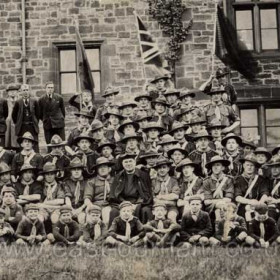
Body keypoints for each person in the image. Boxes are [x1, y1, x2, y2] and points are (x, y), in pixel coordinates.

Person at [109, 153, 153, 224]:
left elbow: (147, 193)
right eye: (126, 162)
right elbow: (114, 194)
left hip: (139, 202)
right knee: (114, 211)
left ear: (135, 162)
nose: (128, 164)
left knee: (146, 210)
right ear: (122, 164)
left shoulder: (143, 175)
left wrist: (137, 203)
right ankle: (114, 233)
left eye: (130, 161)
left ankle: (144, 232)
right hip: (122, 202)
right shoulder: (118, 176)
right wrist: (125, 204)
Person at [235, 154, 269, 221]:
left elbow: (265, 193)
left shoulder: (260, 179)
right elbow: (237, 197)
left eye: (252, 165)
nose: (249, 167)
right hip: (243, 205)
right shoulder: (238, 179)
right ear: (244, 166)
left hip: (258, 204)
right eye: (247, 165)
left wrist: (259, 204)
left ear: (255, 167)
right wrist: (250, 202)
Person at [84, 157, 114, 227]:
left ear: (109, 169)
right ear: (97, 170)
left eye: (105, 167)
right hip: (96, 205)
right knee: (90, 219)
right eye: (100, 167)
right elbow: (87, 197)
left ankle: (106, 235)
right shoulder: (91, 181)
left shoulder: (115, 180)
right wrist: (90, 206)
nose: (103, 169)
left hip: (109, 205)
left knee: (106, 217)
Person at [11, 84, 40, 151]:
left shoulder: (34, 101)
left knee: (34, 143)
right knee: (22, 143)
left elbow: (38, 114)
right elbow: (14, 115)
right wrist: (19, 123)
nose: (25, 92)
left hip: (32, 126)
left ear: (29, 91)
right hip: (22, 126)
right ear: (21, 91)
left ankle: (35, 158)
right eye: (24, 90)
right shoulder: (18, 102)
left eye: (27, 90)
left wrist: (34, 122)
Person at [152, 156, 180, 222]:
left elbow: (175, 196)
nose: (162, 170)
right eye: (159, 168)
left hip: (171, 207)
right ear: (156, 170)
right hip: (157, 207)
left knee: (172, 216)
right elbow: (154, 199)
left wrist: (160, 197)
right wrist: (169, 201)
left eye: (164, 167)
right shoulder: (153, 181)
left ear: (168, 169)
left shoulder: (174, 181)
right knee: (156, 216)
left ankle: (173, 231)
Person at [38, 81, 66, 147]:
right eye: (48, 87)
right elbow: (40, 113)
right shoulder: (41, 99)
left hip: (59, 124)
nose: (50, 89)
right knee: (49, 144)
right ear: (45, 89)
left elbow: (63, 111)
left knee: (61, 143)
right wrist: (45, 120)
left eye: (52, 88)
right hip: (48, 124)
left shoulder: (59, 98)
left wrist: (60, 118)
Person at [38, 162, 65, 227]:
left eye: (52, 174)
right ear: (44, 175)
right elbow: (39, 201)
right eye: (47, 174)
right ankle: (40, 234)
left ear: (55, 175)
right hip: (43, 209)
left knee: (54, 218)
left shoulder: (59, 185)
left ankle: (55, 235)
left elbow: (60, 200)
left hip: (56, 208)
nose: (49, 176)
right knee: (39, 218)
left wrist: (45, 203)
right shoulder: (40, 185)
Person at [63, 157, 88, 224]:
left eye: (78, 169)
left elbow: (87, 198)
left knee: (82, 217)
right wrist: (71, 209)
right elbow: (67, 197)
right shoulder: (67, 182)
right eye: (74, 169)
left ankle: (82, 234)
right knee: (66, 217)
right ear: (71, 171)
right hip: (70, 207)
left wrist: (80, 210)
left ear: (82, 171)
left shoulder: (87, 182)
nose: (76, 171)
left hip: (82, 207)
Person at [5, 84, 20, 149]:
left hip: (17, 123)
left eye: (14, 91)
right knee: (7, 140)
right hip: (7, 124)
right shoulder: (5, 102)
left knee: (17, 141)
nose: (12, 93)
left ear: (17, 92)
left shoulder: (20, 102)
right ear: (8, 93)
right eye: (10, 91)